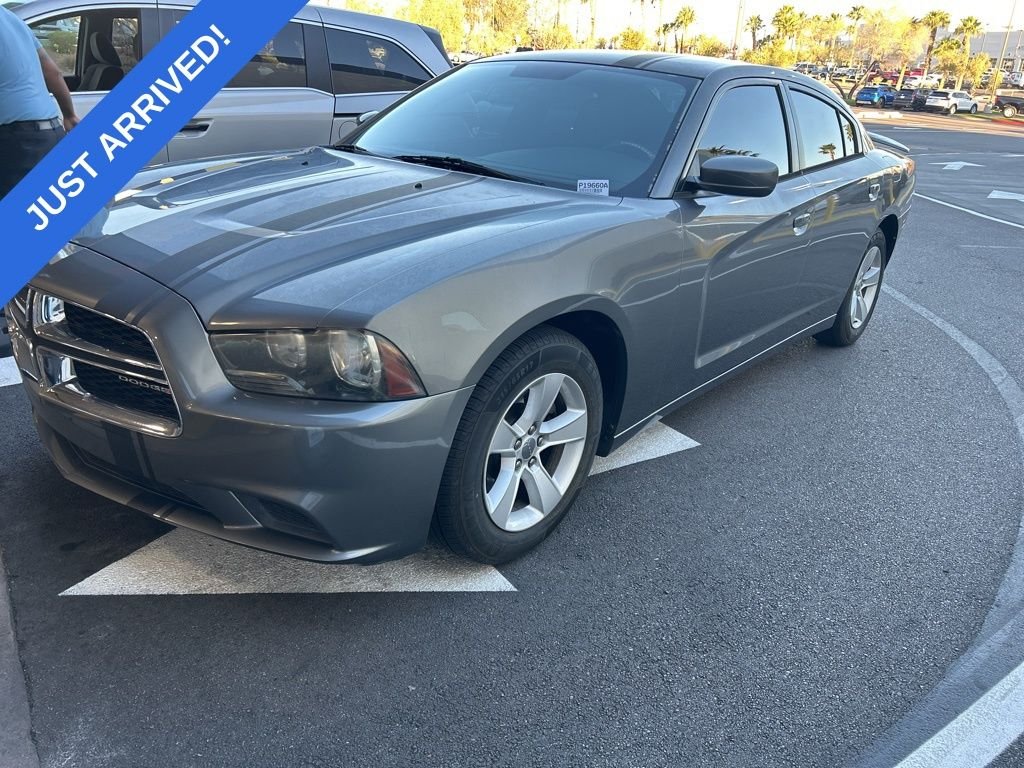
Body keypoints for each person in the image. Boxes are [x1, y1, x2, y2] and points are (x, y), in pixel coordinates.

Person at [0, 6, 80, 200]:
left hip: (18, 142)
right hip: (51, 134)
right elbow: (53, 72)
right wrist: (69, 115)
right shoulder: (12, 19)